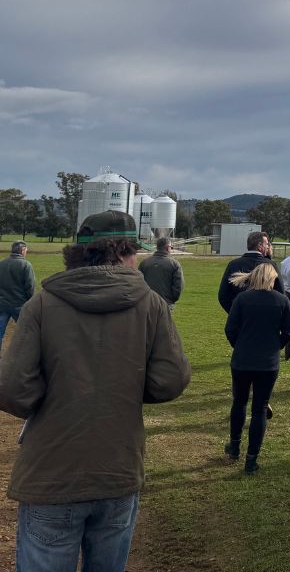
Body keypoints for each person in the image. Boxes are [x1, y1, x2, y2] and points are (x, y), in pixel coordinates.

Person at [0, 210, 191, 572]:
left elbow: (11, 388)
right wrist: (124, 387)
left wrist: (50, 397)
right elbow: (170, 379)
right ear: (122, 252)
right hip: (117, 468)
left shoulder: (42, 303)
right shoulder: (152, 304)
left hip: (51, 472)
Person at [224, 262, 290, 474]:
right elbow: (288, 333)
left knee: (239, 402)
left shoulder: (242, 299)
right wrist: (274, 347)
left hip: (242, 360)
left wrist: (240, 346)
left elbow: (230, 329)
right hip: (267, 363)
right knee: (260, 409)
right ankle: (251, 459)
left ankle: (234, 446)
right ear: (273, 279)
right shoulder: (282, 300)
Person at [218, 231, 283, 313]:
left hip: (241, 315)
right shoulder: (270, 265)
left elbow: (223, 295)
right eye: (266, 244)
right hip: (265, 314)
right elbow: (280, 293)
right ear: (260, 245)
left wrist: (235, 312)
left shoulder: (233, 264)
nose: (268, 247)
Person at [0, 241, 35, 351]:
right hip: (19, 305)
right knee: (26, 331)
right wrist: (30, 301)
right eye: (26, 250)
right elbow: (30, 286)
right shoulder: (26, 265)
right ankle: (26, 353)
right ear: (22, 251)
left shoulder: (2, 263)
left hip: (2, 304)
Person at [138, 236, 184, 310]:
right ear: (168, 248)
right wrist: (172, 300)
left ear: (157, 247)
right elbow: (178, 286)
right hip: (166, 304)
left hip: (147, 303)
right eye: (171, 247)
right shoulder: (174, 264)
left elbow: (138, 283)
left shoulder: (144, 262)